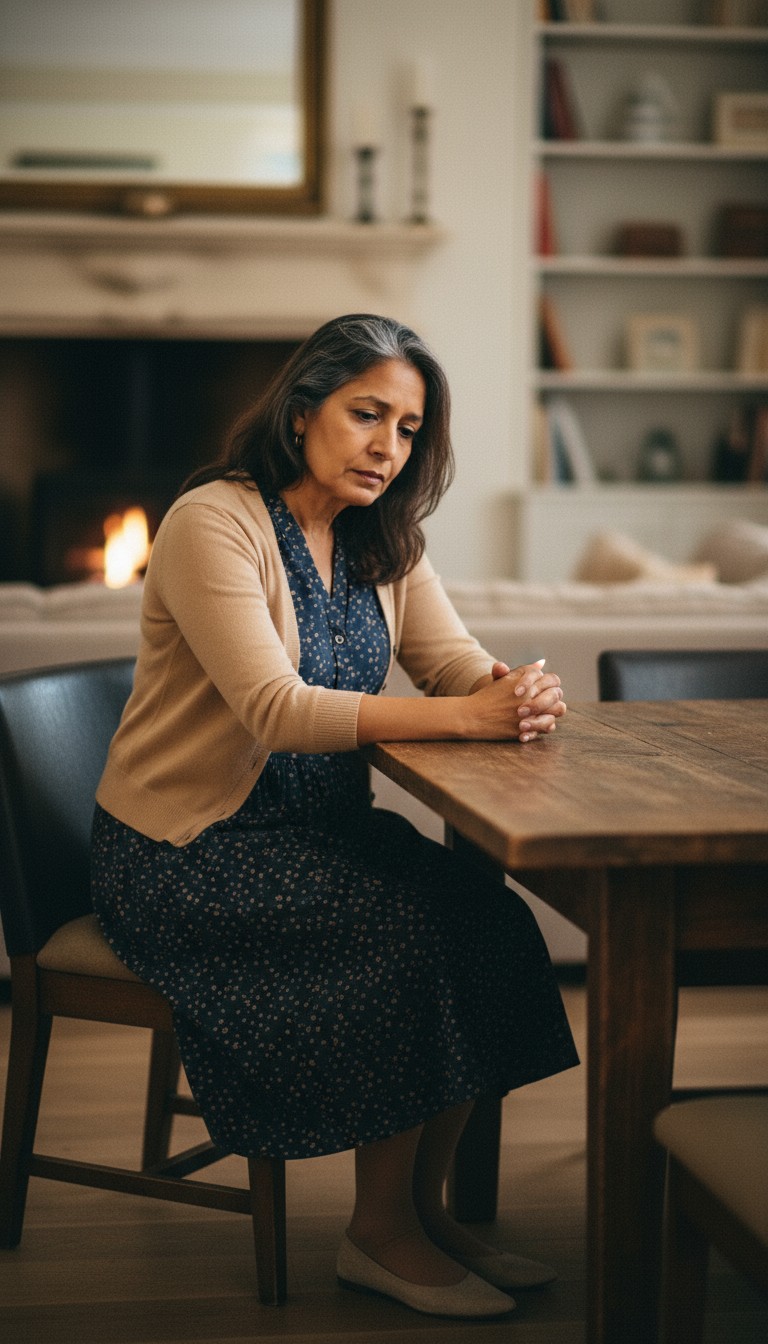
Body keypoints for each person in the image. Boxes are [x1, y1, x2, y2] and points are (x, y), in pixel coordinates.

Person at [91, 313, 577, 1321]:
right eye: (368, 415)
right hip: (190, 849)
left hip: (321, 836)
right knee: (405, 938)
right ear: (302, 408)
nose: (386, 449)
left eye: (407, 431)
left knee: (486, 921)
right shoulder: (212, 522)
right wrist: (468, 714)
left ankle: (419, 1207)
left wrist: (511, 688)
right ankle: (378, 1233)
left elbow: (450, 663)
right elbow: (276, 709)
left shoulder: (382, 534)